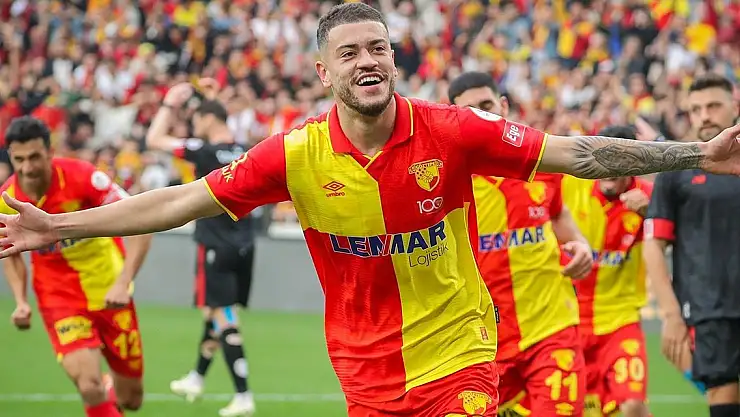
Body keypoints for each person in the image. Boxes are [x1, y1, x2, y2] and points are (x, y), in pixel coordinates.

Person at [0, 4, 739, 416]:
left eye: (378, 48)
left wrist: (695, 154)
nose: (368, 61)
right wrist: (56, 225)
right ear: (324, 72)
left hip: (458, 354)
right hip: (365, 373)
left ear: (394, 58)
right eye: (350, 52)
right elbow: (179, 200)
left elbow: (579, 153)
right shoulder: (294, 156)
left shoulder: (453, 131)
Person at [449, 71, 593, 417]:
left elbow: (558, 213)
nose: (482, 117)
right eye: (470, 111)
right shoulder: (449, 181)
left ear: (503, 106)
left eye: (487, 106)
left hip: (551, 328)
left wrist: (579, 243)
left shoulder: (542, 161)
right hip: (484, 343)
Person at [1, 116, 153, 417]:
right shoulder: (8, 200)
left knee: (131, 399)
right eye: (19, 159)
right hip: (59, 299)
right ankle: (99, 388)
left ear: (49, 151)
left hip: (109, 289)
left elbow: (142, 222)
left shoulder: (84, 178)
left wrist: (123, 281)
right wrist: (20, 301)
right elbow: (10, 253)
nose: (27, 168)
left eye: (34, 157)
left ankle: (111, 388)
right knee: (88, 386)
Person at [145, 81, 256, 417]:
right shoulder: (245, 150)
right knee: (213, 314)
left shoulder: (203, 150)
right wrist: (211, 99)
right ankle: (197, 377)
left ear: (207, 119)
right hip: (244, 245)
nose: (194, 125)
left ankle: (243, 395)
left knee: (224, 316)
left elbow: (154, 140)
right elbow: (217, 119)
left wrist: (169, 104)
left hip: (215, 245)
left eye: (197, 119)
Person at [644, 73, 740, 417]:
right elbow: (653, 246)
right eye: (696, 109)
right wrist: (671, 315)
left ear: (735, 105)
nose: (704, 116)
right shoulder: (677, 169)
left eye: (713, 106)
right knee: (724, 406)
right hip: (710, 311)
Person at [563, 125, 653, 417]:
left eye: (620, 159)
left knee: (633, 405)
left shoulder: (648, 198)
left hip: (620, 321)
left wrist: (652, 213)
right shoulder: (571, 189)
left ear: (634, 162)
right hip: (571, 322)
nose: (610, 168)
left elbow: (684, 236)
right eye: (604, 157)